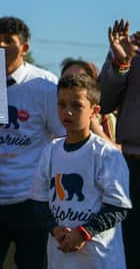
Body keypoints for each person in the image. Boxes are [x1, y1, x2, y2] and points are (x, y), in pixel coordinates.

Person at [0, 16, 64, 269]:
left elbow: (62, 138)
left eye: (8, 41)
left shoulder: (43, 85)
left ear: (25, 48)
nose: (0, 46)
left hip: (30, 198)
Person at [30, 72, 131, 268]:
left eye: (76, 106)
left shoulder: (106, 154)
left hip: (99, 259)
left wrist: (83, 233)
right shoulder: (50, 150)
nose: (67, 112)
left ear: (94, 111)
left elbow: (118, 207)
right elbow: (38, 201)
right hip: (60, 259)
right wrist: (54, 229)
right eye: (62, 104)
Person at [98, 18, 140, 267]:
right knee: (128, 252)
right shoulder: (131, 46)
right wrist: (122, 62)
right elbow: (101, 104)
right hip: (130, 168)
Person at [59, 59, 117, 147]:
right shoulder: (50, 111)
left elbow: (116, 152)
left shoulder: (105, 118)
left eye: (81, 78)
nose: (73, 83)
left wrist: (93, 124)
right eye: (66, 79)